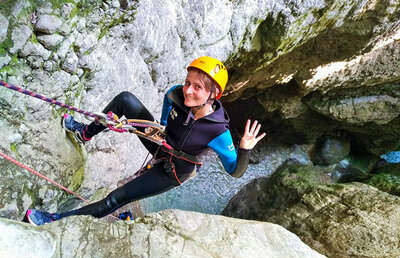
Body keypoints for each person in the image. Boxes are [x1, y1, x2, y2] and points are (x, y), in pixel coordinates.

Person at [25, 56, 266, 226]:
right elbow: (166, 110)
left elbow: (235, 171)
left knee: (115, 198)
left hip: (173, 171)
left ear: (213, 94)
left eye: (198, 88)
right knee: (126, 101)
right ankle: (85, 133)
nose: (188, 91)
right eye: (188, 83)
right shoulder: (175, 94)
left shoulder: (218, 132)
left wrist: (244, 149)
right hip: (162, 144)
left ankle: (54, 221)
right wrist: (157, 127)